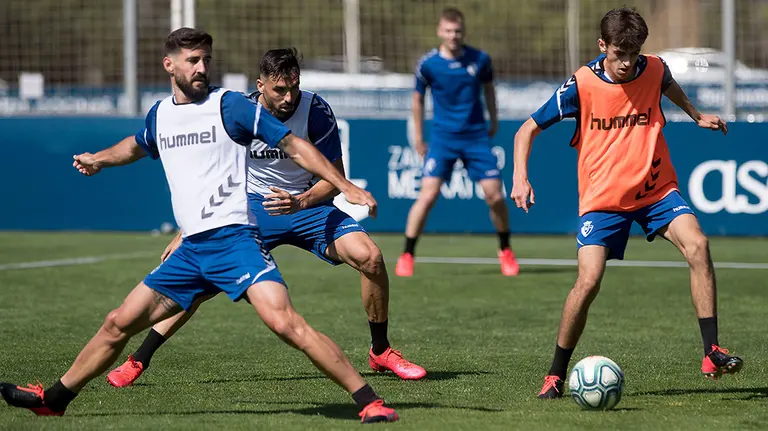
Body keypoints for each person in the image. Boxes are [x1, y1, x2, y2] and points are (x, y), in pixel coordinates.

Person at [0, 28, 398, 424]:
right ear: (169, 65)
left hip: (235, 241)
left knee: (285, 323)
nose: (202, 67)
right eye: (193, 60)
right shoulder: (161, 114)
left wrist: (344, 186)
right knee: (116, 323)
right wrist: (100, 158)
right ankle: (54, 398)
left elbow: (295, 145)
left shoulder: (230, 106)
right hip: (192, 251)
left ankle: (367, 399)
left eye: (206, 59)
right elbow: (137, 145)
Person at [105, 48, 426, 388]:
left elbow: (333, 179)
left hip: (308, 207)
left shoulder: (315, 111)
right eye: (280, 90)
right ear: (260, 86)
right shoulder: (239, 112)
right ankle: (139, 358)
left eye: (294, 88)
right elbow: (217, 179)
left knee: (371, 258)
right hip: (251, 209)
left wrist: (299, 202)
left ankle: (380, 351)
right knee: (199, 285)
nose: (289, 97)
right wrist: (187, 231)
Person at [510, 7, 743, 399]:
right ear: (602, 46)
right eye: (619, 54)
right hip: (603, 200)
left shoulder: (653, 68)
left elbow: (667, 83)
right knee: (588, 281)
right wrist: (520, 177)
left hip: (655, 190)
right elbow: (526, 129)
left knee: (699, 245)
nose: (627, 62)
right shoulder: (581, 84)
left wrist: (695, 114)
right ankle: (554, 374)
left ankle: (711, 352)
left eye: (633, 54)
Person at [394, 7, 519, 277]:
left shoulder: (480, 59)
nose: (453, 36)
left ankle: (505, 250)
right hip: (443, 139)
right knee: (427, 196)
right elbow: (417, 100)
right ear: (440, 31)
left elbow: (489, 89)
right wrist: (418, 137)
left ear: (463, 32)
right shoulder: (428, 64)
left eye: (457, 31)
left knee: (495, 196)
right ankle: (407, 254)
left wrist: (493, 120)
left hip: (475, 136)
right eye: (448, 31)